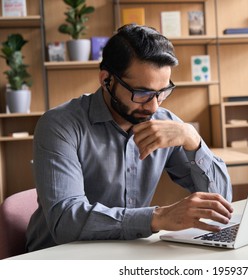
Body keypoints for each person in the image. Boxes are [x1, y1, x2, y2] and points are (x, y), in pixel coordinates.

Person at [26, 24, 233, 252]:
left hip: (127, 252)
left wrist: (192, 140)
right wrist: (158, 217)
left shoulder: (165, 123)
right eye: (142, 93)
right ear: (106, 80)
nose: (154, 106)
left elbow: (221, 202)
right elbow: (65, 221)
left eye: (162, 92)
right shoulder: (60, 125)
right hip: (58, 258)